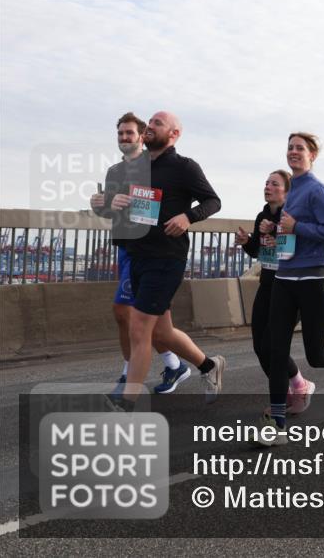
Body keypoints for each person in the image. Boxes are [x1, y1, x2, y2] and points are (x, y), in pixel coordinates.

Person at [112, 111, 227, 407]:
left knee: (139, 328)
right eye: (150, 122)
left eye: (158, 124)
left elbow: (213, 201)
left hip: (165, 259)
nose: (150, 126)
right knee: (162, 333)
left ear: (174, 134)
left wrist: (188, 216)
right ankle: (209, 366)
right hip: (138, 255)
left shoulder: (184, 166)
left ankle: (127, 403)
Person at [260, 133, 324, 445]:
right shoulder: (288, 192)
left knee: (315, 355)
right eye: (290, 147)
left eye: (300, 148)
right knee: (276, 350)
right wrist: (272, 231)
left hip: (313, 279)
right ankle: (277, 424)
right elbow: (287, 231)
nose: (293, 152)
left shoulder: (318, 189)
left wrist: (297, 228)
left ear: (312, 155)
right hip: (284, 277)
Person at [91, 113, 189, 396]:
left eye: (130, 133)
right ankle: (182, 364)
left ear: (142, 136)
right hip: (126, 247)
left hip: (150, 251)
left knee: (132, 315)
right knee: (146, 321)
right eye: (120, 133)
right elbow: (110, 209)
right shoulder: (114, 171)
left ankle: (130, 380)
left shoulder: (152, 167)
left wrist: (182, 218)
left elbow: (158, 204)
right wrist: (101, 203)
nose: (125, 138)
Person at [235, 170, 316, 416]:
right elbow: (261, 252)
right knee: (261, 347)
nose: (268, 186)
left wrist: (276, 234)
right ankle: (297, 387)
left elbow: (295, 251)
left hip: (290, 288)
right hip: (267, 285)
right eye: (266, 182)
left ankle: (291, 393)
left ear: (287, 190)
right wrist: (247, 241)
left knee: (274, 346)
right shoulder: (263, 214)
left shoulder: (292, 215)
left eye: (274, 183)